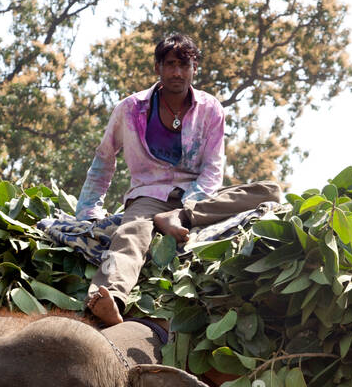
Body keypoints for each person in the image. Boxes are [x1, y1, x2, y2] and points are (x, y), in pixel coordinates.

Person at [76, 30, 282, 327]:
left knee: (271, 192)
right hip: (148, 195)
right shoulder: (131, 109)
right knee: (131, 235)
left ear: (194, 69)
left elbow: (213, 167)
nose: (177, 72)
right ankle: (107, 298)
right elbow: (104, 158)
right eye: (170, 64)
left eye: (184, 65)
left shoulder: (210, 109)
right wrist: (88, 210)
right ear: (157, 68)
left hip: (196, 198)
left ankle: (177, 217)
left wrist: (188, 209)